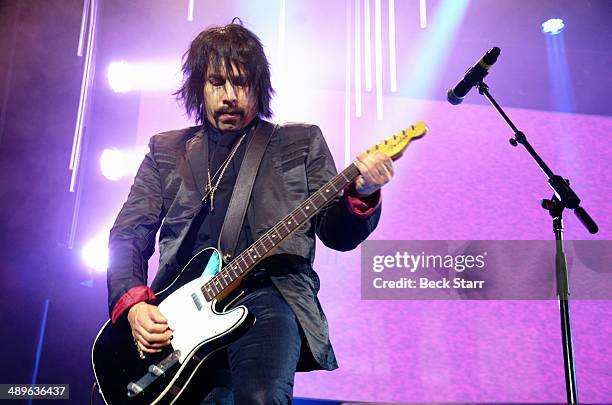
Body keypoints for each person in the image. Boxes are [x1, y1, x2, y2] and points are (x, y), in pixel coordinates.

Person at [106, 20, 393, 404]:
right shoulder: (166, 151)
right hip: (178, 313)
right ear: (199, 87)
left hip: (266, 299)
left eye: (241, 84)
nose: (229, 96)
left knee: (260, 398)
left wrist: (363, 193)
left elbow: (337, 234)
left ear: (259, 87)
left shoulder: (299, 143)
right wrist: (136, 304)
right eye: (217, 82)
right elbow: (129, 234)